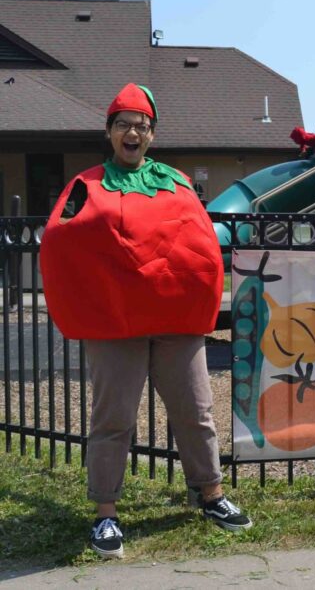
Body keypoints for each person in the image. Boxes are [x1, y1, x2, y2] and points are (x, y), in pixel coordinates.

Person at [39, 83, 252, 559]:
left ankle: (211, 495)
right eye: (123, 124)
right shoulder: (87, 185)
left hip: (174, 320)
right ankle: (106, 514)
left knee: (196, 411)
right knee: (112, 418)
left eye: (141, 125)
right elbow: (60, 238)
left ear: (152, 133)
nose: (132, 132)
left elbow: (197, 242)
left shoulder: (176, 182)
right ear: (110, 133)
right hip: (115, 323)